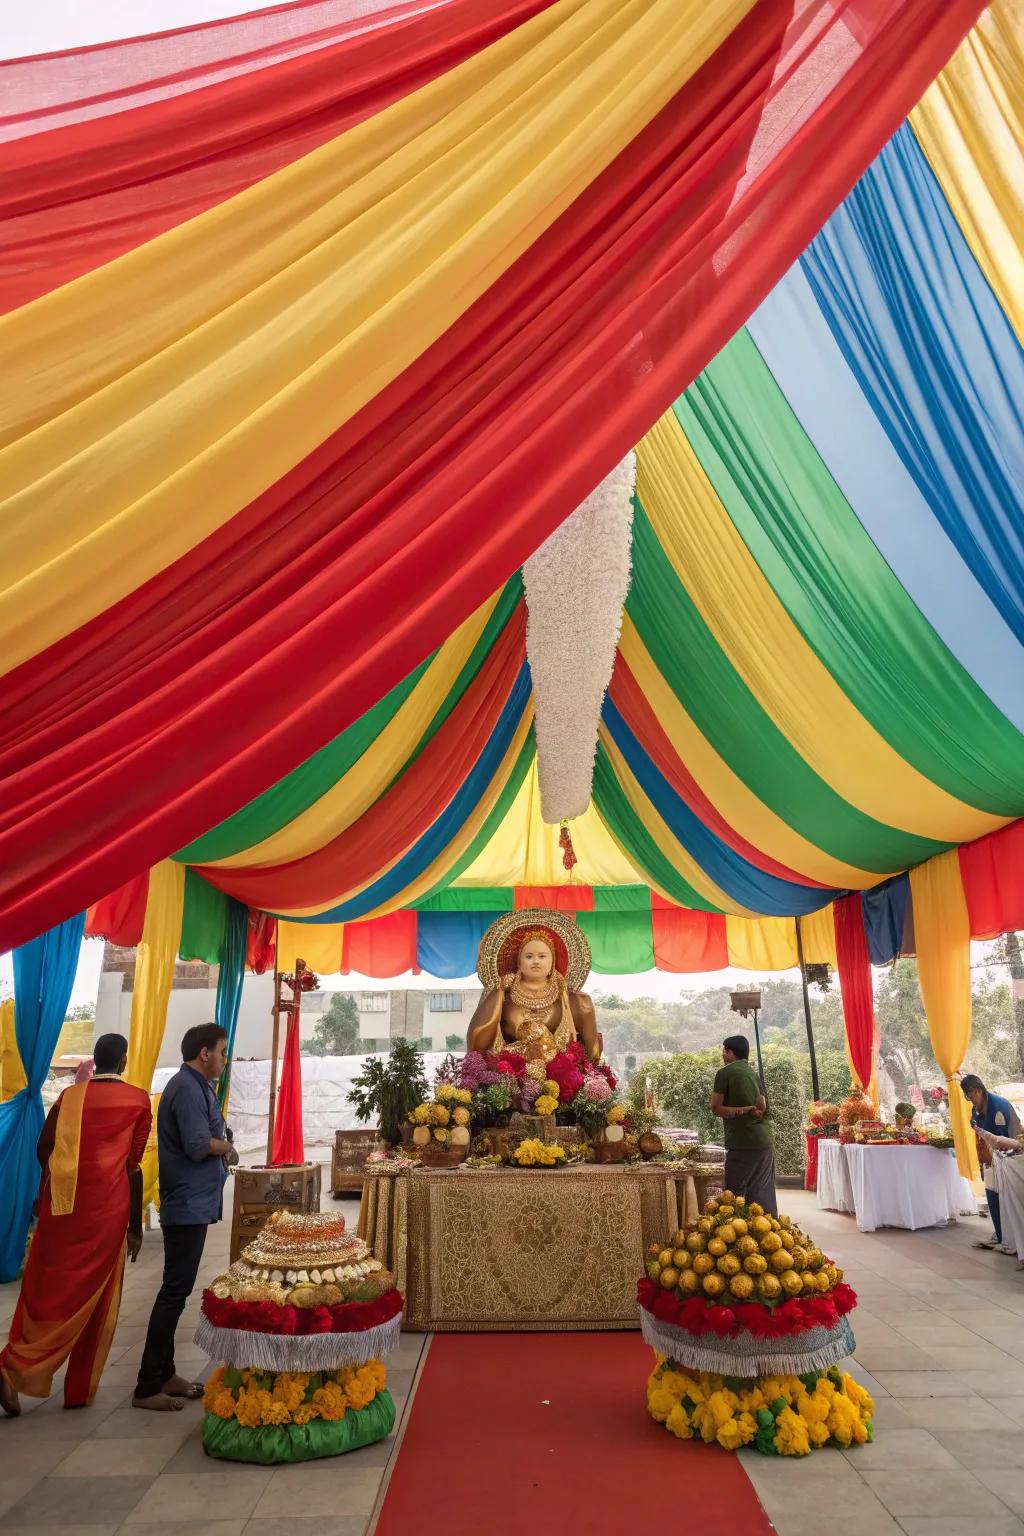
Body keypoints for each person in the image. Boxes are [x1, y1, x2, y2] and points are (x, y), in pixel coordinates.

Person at [0, 1033, 151, 1418]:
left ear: (95, 1061)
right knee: (97, 1294)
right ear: (124, 1060)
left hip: (62, 1207)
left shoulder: (69, 1097)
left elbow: (44, 1149)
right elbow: (132, 1166)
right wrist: (134, 1225)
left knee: (50, 1290)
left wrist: (61, 1186)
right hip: (107, 1210)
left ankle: (17, 1363)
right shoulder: (137, 1100)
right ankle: (74, 1386)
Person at [133, 1024, 234, 1412]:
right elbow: (196, 1145)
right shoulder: (187, 1088)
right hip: (186, 1204)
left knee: (177, 1290)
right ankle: (147, 1385)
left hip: (194, 1202)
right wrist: (227, 1147)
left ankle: (166, 1373)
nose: (224, 1059)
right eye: (222, 1051)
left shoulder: (197, 1085)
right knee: (174, 1292)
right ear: (204, 1053)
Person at [710, 1035, 777, 1217]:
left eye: (724, 1050)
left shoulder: (724, 1073)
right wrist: (753, 1110)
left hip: (743, 1141)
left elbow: (715, 1107)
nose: (723, 1054)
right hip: (764, 1140)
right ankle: (770, 1231)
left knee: (733, 1197)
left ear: (730, 1052)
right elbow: (762, 1106)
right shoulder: (753, 1073)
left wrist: (740, 1110)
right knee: (762, 1196)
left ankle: (734, 1231)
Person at [962, 1075, 1022, 1254]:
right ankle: (1001, 1234)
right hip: (992, 1159)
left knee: (1008, 1198)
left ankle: (1013, 1237)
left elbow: (1007, 1137)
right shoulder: (977, 1108)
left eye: (969, 1095)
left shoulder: (999, 1106)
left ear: (977, 1091)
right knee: (992, 1194)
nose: (969, 1099)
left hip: (1010, 1158)